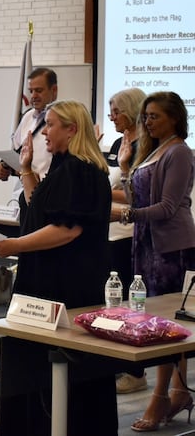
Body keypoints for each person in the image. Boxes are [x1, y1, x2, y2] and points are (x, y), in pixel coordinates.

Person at [0, 99, 113, 435]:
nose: (44, 131)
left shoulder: (80, 170)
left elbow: (66, 229)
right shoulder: (63, 167)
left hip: (64, 285)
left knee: (56, 369)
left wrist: (14, 245)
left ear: (72, 129)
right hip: (46, 281)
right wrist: (26, 169)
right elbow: (39, 209)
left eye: (52, 124)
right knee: (32, 366)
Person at [113, 91, 195, 432]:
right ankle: (178, 392)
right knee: (152, 319)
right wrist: (122, 168)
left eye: (155, 116)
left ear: (174, 118)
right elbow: (136, 193)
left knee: (165, 326)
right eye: (145, 116)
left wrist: (127, 213)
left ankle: (162, 396)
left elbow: (168, 206)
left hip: (170, 246)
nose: (147, 122)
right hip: (146, 242)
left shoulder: (179, 152)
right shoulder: (152, 150)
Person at [104, 88, 149, 395]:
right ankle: (117, 363)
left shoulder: (148, 144)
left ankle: (135, 371)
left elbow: (138, 192)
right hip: (111, 230)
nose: (111, 116)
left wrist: (100, 194)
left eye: (116, 111)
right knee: (112, 301)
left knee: (133, 304)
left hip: (133, 232)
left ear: (132, 111)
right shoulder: (119, 142)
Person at [0, 67, 58, 204]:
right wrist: (5, 168)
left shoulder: (64, 121)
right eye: (31, 91)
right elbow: (17, 154)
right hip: (20, 196)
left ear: (54, 90)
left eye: (39, 90)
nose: (33, 96)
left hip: (47, 196)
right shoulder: (27, 117)